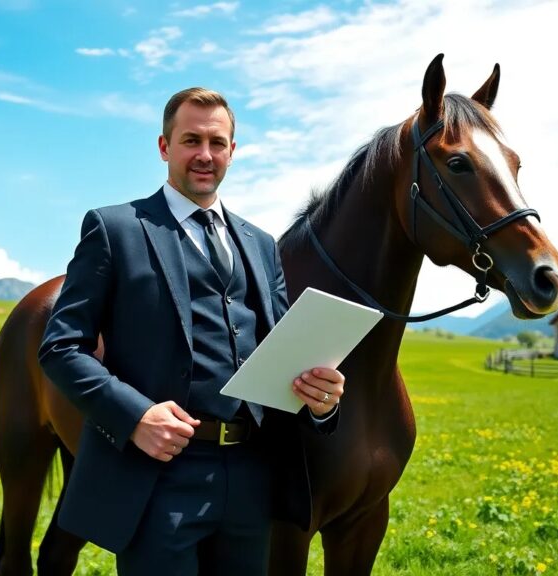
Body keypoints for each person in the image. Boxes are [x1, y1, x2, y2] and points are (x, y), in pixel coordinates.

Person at [38, 87, 345, 575]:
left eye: (217, 143)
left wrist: (321, 401)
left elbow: (283, 355)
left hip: (251, 476)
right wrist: (136, 417)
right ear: (164, 147)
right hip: (156, 478)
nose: (205, 155)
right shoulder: (115, 228)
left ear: (232, 151)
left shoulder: (262, 244)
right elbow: (61, 347)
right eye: (191, 140)